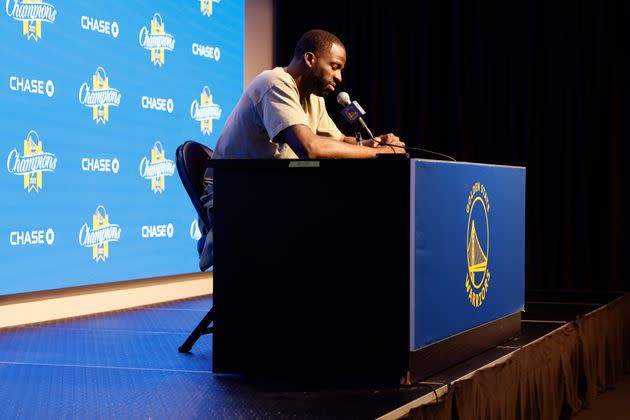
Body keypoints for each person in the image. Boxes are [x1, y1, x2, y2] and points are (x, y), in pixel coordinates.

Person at [196, 29, 406, 270]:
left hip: (268, 196)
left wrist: (377, 143)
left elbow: (340, 141)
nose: (339, 77)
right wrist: (381, 155)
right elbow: (311, 148)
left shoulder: (312, 98)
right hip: (233, 200)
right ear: (309, 59)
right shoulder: (274, 83)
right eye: (335, 66)